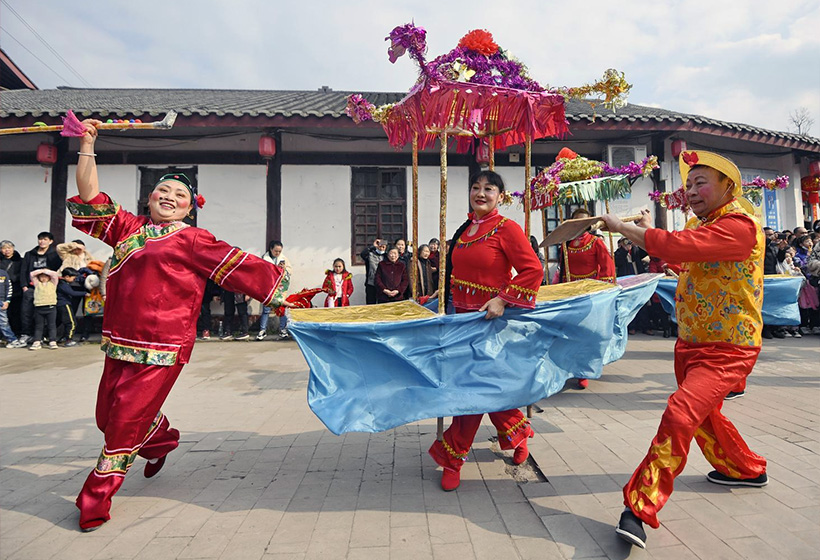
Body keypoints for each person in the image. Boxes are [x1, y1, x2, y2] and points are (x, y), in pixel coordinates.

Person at [67, 118, 283, 531]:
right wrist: (88, 144)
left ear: (190, 206)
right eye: (162, 190)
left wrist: (288, 295)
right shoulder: (129, 230)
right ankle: (162, 438)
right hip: (119, 343)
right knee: (105, 416)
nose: (169, 196)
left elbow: (244, 267)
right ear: (149, 197)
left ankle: (95, 497)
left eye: (179, 194)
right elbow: (89, 195)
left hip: (163, 347)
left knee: (123, 423)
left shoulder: (194, 240)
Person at [601, 150, 768, 550]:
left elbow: (679, 247)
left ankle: (639, 506)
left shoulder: (740, 227)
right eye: (688, 184)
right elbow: (689, 260)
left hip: (728, 347)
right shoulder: (704, 225)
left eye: (701, 182)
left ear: (729, 186)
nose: (690, 191)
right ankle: (745, 469)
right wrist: (653, 237)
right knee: (705, 418)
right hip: (692, 341)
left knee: (681, 412)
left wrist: (624, 227)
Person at [427, 170, 543, 492]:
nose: (480, 193)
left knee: (471, 392)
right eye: (476, 187)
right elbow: (458, 271)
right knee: (485, 390)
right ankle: (518, 433)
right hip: (460, 321)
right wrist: (441, 293)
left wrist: (503, 300)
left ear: (500, 196)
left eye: (488, 189)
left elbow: (533, 269)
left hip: (490, 324)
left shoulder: (508, 229)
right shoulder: (465, 230)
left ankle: (452, 459)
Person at [557, 208, 616, 388]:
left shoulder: (596, 243)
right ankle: (569, 368)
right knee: (570, 332)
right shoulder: (565, 245)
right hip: (571, 294)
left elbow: (607, 268)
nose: (580, 226)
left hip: (589, 294)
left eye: (584, 222)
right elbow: (562, 271)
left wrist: (605, 292)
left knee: (588, 332)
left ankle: (584, 370)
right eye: (577, 222)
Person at [21, 232, 62, 344]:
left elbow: (58, 270)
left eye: (45, 239)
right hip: (31, 287)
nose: (42, 241)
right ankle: (27, 334)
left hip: (48, 288)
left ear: (50, 241)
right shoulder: (30, 254)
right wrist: (24, 286)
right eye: (40, 239)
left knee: (50, 313)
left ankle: (44, 335)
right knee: (27, 312)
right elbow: (24, 270)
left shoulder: (54, 254)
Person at [258, 240, 292, 339]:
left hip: (280, 288)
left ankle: (282, 329)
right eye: (276, 251)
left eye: (279, 251)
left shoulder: (284, 258)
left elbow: (290, 270)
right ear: (271, 249)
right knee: (266, 309)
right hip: (268, 287)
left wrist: (283, 268)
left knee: (281, 308)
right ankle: (262, 330)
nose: (277, 253)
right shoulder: (265, 258)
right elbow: (261, 272)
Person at [28, 268, 60, 350]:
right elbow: (32, 274)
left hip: (51, 307)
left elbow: (55, 275)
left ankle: (52, 341)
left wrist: (46, 271)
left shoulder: (53, 283)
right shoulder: (37, 284)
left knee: (51, 325)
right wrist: (41, 271)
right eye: (41, 277)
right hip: (39, 307)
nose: (43, 278)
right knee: (39, 326)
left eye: (45, 276)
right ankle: (37, 341)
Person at [56, 267, 88, 347]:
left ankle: (64, 338)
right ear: (67, 277)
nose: (74, 280)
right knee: (72, 323)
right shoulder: (63, 284)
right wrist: (84, 293)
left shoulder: (63, 283)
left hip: (62, 304)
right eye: (73, 278)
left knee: (64, 322)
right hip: (64, 305)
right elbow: (72, 293)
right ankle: (69, 339)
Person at [0, 240, 24, 338]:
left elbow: (23, 273)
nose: (7, 250)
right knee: (3, 315)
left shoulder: (20, 260)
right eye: (4, 248)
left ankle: (16, 333)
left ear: (13, 249)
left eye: (9, 248)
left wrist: (13, 277)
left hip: (16, 290)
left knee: (16, 313)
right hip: (2, 291)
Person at [0, 266, 26, 348]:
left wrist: (7, 301)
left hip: (2, 302)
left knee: (4, 323)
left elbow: (9, 288)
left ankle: (13, 340)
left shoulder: (3, 273)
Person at [360, 238, 387, 304]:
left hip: (384, 285)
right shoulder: (370, 255)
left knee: (382, 305)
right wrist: (373, 246)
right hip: (371, 284)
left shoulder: (387, 256)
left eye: (383, 245)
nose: (381, 247)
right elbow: (363, 254)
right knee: (371, 304)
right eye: (379, 244)